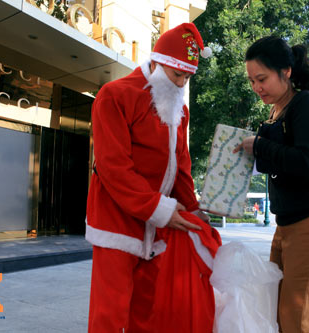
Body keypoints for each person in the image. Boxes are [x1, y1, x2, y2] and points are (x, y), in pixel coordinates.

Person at [85, 23, 214, 332]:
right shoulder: (113, 95)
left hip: (155, 226)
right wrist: (162, 210)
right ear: (157, 62)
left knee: (145, 310)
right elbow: (113, 167)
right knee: (110, 313)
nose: (181, 84)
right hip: (117, 220)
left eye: (187, 77)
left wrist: (194, 211)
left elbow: (180, 166)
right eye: (177, 74)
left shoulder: (177, 111)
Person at [233, 36, 309, 332]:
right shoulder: (274, 112)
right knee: (278, 311)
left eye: (262, 78)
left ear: (287, 72)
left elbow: (308, 160)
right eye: (252, 81)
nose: (257, 87)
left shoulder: (305, 104)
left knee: (294, 315)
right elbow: (275, 162)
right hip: (288, 222)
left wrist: (259, 146)